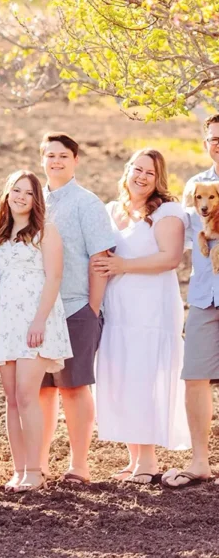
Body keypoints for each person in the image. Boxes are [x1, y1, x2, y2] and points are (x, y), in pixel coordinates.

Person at [93, 149, 191, 483]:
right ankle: (134, 459)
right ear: (127, 170)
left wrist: (123, 266)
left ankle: (148, 462)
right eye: (137, 169)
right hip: (118, 308)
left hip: (151, 309)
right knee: (122, 377)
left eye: (150, 172)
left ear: (158, 178)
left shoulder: (167, 212)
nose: (142, 177)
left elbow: (170, 258)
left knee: (144, 377)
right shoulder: (112, 210)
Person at [39, 132, 115, 484]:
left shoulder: (87, 203)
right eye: (50, 155)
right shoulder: (33, 200)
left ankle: (79, 465)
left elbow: (101, 258)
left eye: (63, 156)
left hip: (74, 308)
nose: (55, 161)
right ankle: (38, 462)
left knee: (73, 386)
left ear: (75, 161)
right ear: (42, 159)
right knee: (40, 389)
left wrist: (91, 309)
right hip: (36, 313)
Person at [0, 171, 72, 492]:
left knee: (27, 395)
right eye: (16, 191)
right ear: (7, 195)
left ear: (36, 199)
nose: (21, 197)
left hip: (36, 321)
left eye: (28, 192)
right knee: (11, 399)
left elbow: (53, 278)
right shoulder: (1, 233)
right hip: (6, 321)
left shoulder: (46, 232)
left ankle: (36, 470)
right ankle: (19, 469)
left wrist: (39, 320)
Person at [163, 113, 219, 488]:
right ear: (205, 143)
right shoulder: (195, 186)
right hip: (202, 297)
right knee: (195, 376)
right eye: (213, 137)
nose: (218, 143)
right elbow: (179, 236)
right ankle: (201, 462)